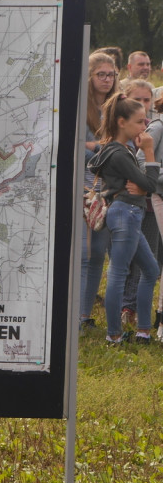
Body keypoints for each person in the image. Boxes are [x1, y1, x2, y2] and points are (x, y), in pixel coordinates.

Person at [88, 92, 160, 345]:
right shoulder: (118, 153)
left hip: (126, 213)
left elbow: (145, 186)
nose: (145, 126)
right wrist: (149, 151)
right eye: (140, 121)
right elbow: (151, 183)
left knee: (151, 270)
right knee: (118, 274)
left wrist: (143, 186)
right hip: (126, 213)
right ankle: (114, 335)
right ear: (122, 122)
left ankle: (142, 331)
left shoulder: (117, 149)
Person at [80, 52, 118, 330]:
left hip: (108, 187)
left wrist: (97, 149)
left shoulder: (118, 106)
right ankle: (73, 316)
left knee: (98, 255)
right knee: (83, 253)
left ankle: (85, 315)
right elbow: (74, 147)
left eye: (111, 74)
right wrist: (100, 150)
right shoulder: (80, 106)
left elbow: (125, 146)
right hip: (82, 186)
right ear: (90, 76)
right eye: (101, 74)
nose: (107, 79)